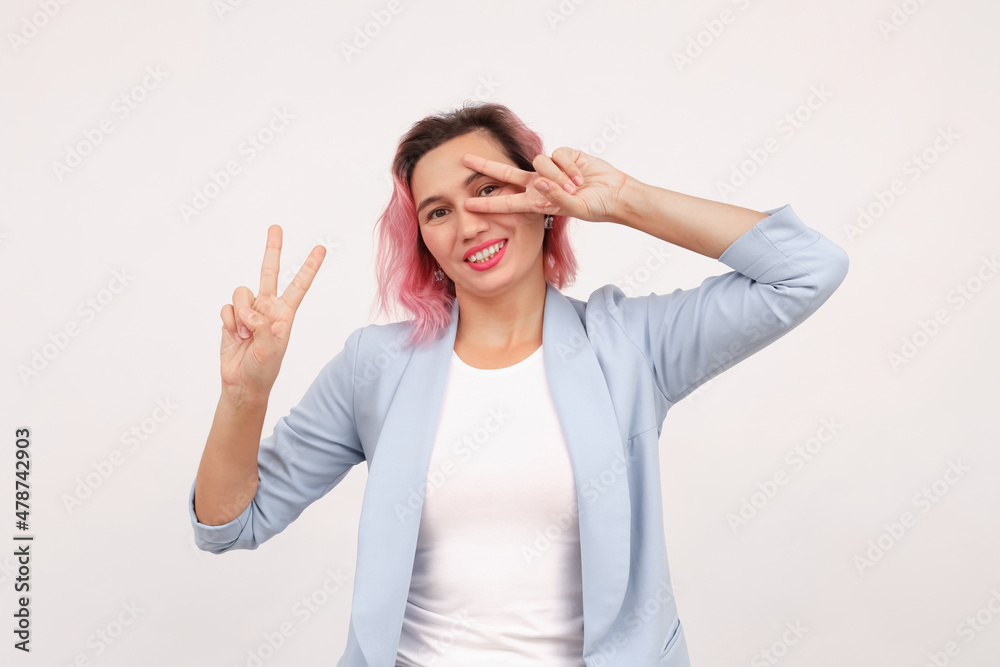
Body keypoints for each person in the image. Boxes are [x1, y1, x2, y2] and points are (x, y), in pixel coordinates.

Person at [188, 102, 850, 666]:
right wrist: (243, 395)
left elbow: (807, 270)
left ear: (544, 200)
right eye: (438, 211)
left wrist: (623, 200)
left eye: (486, 189)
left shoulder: (630, 346)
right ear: (423, 239)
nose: (469, 223)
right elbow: (230, 523)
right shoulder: (377, 364)